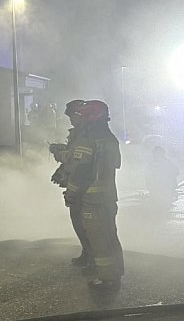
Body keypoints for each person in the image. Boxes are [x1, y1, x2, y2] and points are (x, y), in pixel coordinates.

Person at [65, 100, 124, 290]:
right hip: (108, 197)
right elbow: (114, 164)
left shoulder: (88, 139)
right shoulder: (110, 138)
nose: (81, 119)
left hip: (92, 198)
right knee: (110, 236)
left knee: (99, 241)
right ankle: (116, 272)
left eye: (85, 115)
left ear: (92, 117)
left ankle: (107, 279)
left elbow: (82, 172)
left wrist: (71, 193)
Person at [49, 99, 92, 268]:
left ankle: (91, 256)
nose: (71, 121)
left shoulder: (85, 135)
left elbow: (78, 161)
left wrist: (60, 153)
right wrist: (62, 171)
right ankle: (87, 253)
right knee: (80, 223)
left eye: (72, 117)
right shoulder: (80, 134)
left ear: (80, 115)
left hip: (84, 188)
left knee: (85, 224)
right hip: (80, 186)